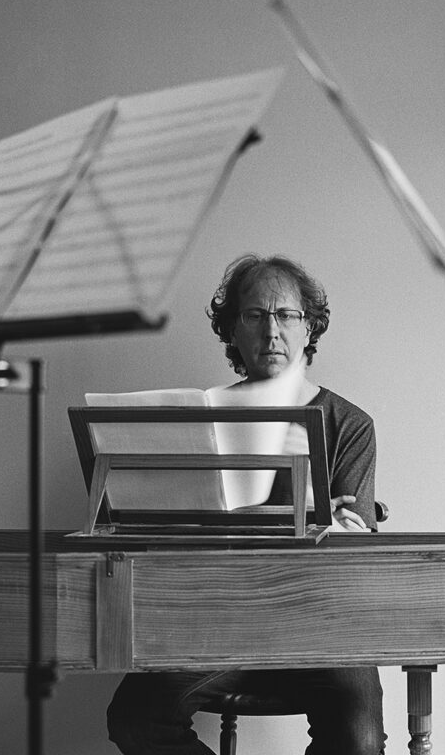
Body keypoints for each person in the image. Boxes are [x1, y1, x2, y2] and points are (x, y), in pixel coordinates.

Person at [107, 254, 386, 755]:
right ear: (233, 329)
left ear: (309, 329)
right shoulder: (201, 419)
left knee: (360, 742)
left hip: (319, 625)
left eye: (286, 316)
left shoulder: (350, 424)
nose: (271, 331)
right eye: (255, 315)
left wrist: (343, 528)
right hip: (217, 620)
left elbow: (352, 562)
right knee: (133, 716)